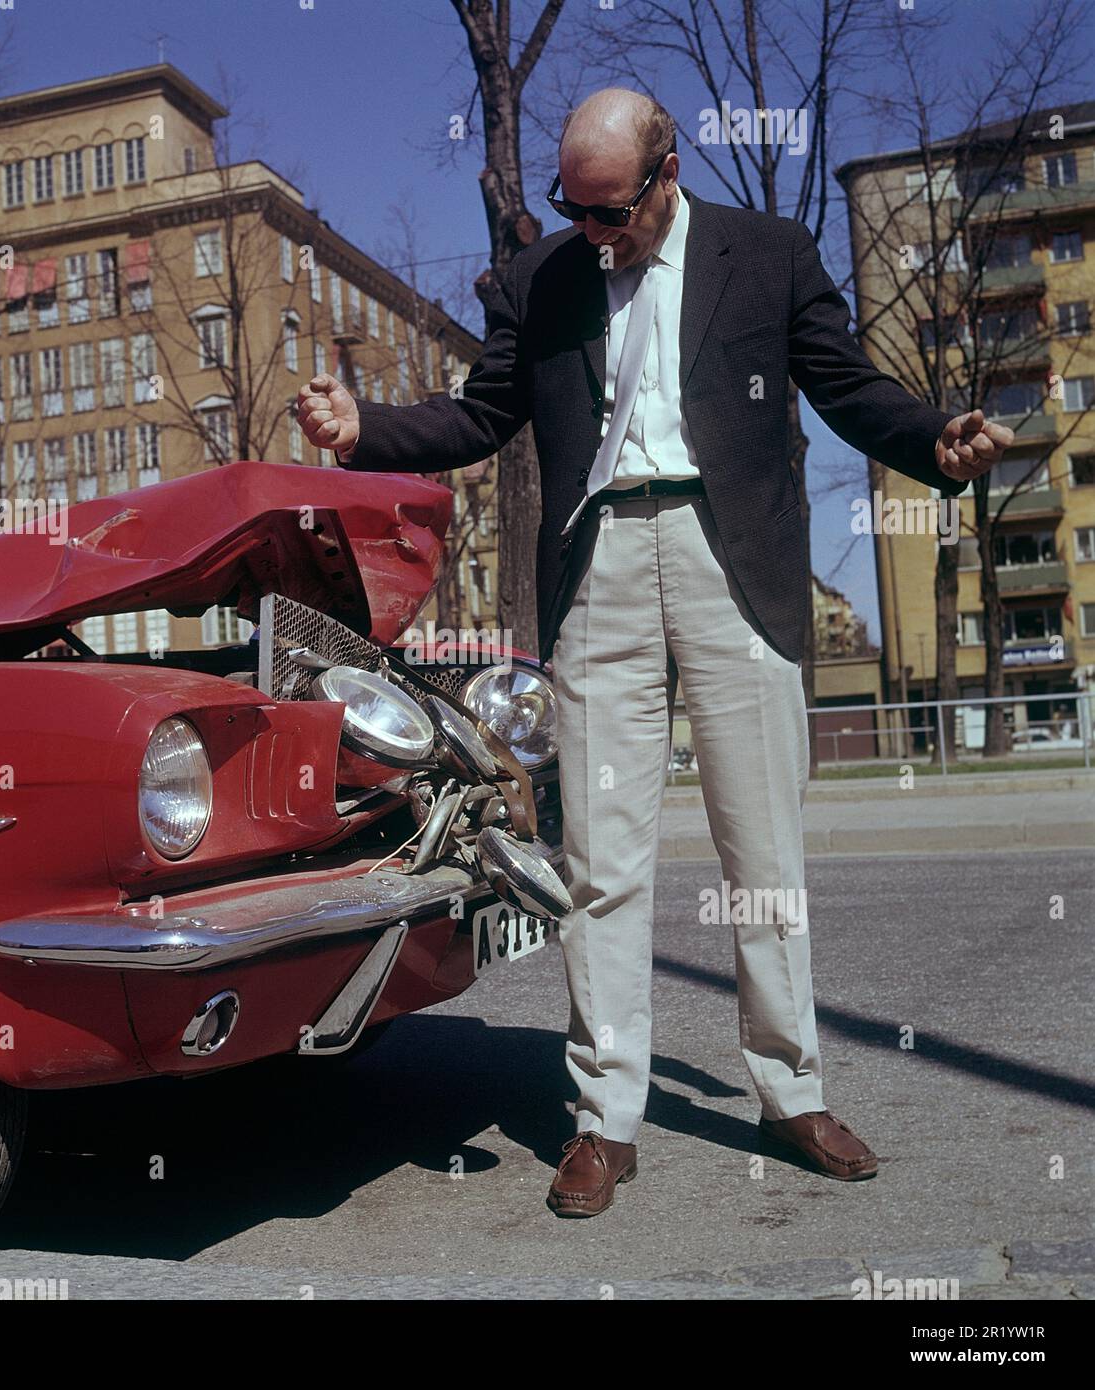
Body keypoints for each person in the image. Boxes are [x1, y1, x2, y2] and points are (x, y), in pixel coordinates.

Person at [296, 88, 1011, 1218]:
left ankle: (789, 1089)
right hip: (599, 568)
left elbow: (842, 386)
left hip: (731, 556)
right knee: (604, 859)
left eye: (609, 212)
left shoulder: (767, 252)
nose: (591, 233)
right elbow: (482, 413)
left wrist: (932, 436)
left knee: (759, 847)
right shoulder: (541, 280)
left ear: (666, 173)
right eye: (569, 210)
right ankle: (603, 1117)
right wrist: (365, 428)